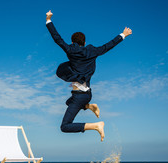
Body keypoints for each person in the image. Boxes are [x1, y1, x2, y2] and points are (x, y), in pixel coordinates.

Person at [46, 10, 132, 141]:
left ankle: (96, 126)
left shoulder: (71, 50)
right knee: (68, 102)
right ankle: (90, 106)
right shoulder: (92, 51)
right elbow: (108, 46)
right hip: (86, 95)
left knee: (64, 126)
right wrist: (123, 35)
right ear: (84, 43)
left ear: (73, 42)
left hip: (80, 97)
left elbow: (57, 38)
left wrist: (48, 19)